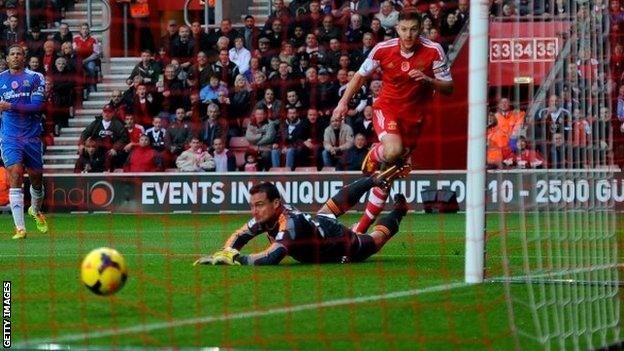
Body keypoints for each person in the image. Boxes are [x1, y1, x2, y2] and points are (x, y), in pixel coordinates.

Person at [333, 10, 454, 234]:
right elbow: (360, 76)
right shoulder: (382, 49)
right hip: (387, 109)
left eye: (413, 30)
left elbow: (449, 87)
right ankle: (375, 153)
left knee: (389, 173)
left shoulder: (434, 51)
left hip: (415, 119)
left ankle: (361, 228)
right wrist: (342, 103)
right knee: (392, 151)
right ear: (397, 29)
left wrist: (429, 80)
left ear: (421, 29)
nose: (408, 35)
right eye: (404, 29)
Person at [193, 165, 409, 266]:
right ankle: (372, 180)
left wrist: (238, 259)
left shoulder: (290, 224)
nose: (254, 211)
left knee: (377, 240)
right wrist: (225, 252)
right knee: (328, 210)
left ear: (276, 203)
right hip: (319, 223)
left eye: (259, 205)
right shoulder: (264, 217)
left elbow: (273, 256)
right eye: (252, 205)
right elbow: (240, 235)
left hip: (338, 243)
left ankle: (399, 210)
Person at [0, 45, 48, 239]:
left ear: (24, 57)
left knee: (36, 179)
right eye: (12, 54)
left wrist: (9, 105)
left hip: (32, 137)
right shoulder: (0, 79)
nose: (15, 57)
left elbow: (37, 106)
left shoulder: (35, 77)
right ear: (7, 58)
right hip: (10, 137)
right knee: (16, 174)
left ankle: (35, 211)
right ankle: (20, 228)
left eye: (19, 53)